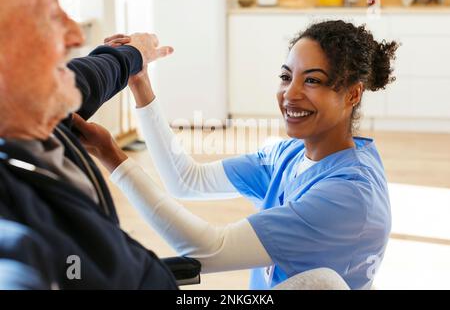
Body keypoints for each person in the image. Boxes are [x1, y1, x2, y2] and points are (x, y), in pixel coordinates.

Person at [74, 21, 398, 290]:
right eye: (286, 77)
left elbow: (208, 250)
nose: (291, 94)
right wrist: (141, 85)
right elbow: (187, 180)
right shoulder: (293, 153)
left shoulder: (347, 196)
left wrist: (110, 153)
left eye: (312, 80)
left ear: (353, 94)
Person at [0, 0, 177, 289]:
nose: (76, 36)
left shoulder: (36, 110)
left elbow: (95, 75)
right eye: (50, 17)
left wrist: (136, 53)